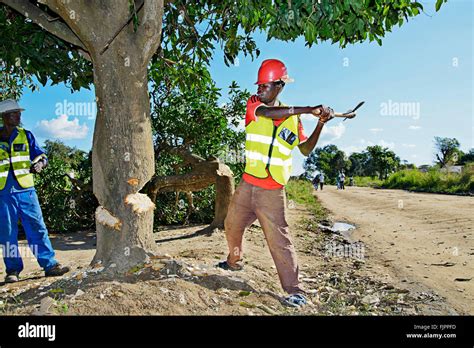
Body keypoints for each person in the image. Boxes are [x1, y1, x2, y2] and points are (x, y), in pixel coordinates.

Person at [217, 59, 334, 308]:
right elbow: (268, 114)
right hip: (248, 184)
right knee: (232, 225)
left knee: (279, 240)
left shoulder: (294, 121)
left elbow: (305, 149)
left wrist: (320, 123)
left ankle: (294, 290)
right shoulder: (254, 105)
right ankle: (233, 262)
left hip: (272, 190)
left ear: (279, 86)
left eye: (265, 86)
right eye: (258, 85)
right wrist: (307, 108)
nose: (259, 90)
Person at [0, 99, 70, 283]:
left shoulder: (26, 135)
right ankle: (12, 271)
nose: (19, 115)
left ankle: (50, 265)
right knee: (7, 234)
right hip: (3, 194)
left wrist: (40, 163)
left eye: (19, 112)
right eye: (15, 113)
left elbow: (42, 156)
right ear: (5, 117)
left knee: (37, 228)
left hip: (26, 191)